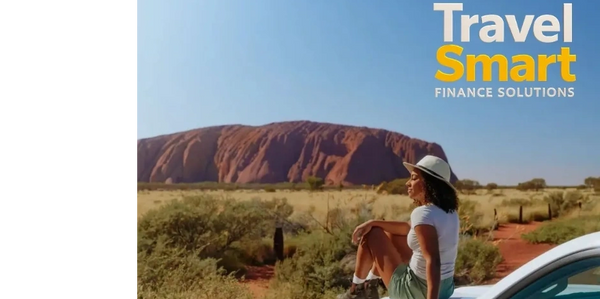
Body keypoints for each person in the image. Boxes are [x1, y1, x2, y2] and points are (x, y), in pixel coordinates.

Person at [338, 155, 460, 299]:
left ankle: (355, 290)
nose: (408, 183)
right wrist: (373, 222)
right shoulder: (450, 212)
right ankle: (369, 284)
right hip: (445, 289)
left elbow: (433, 260)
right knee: (391, 234)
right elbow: (409, 228)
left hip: (419, 292)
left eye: (414, 178)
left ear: (429, 183)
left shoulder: (422, 213)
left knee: (373, 234)